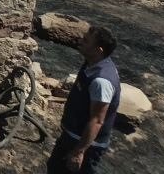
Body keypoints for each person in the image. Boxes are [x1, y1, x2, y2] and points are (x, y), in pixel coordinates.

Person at [47, 26, 121, 173]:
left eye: (86, 41)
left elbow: (97, 121)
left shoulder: (102, 81)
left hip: (85, 145)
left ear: (98, 50)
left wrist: (78, 152)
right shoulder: (92, 63)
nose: (80, 41)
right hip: (72, 136)